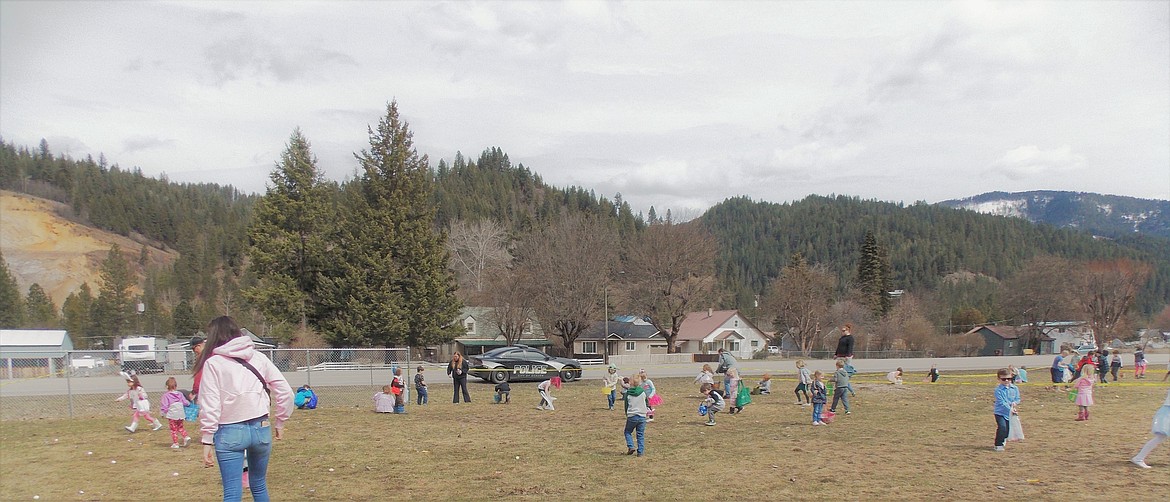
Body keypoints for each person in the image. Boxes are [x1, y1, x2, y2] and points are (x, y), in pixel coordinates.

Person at [197, 316, 294, 502]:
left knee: (232, 492)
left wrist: (207, 439)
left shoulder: (213, 363)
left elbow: (210, 404)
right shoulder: (259, 357)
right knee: (259, 485)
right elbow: (286, 392)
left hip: (229, 431)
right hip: (261, 427)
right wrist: (281, 421)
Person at [1130, 370, 1170, 468]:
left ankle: (1139, 458)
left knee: (1160, 437)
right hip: (1167, 413)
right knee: (1160, 437)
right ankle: (1138, 458)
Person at [993, 368, 1021, 452]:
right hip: (1000, 412)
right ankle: (998, 444)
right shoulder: (998, 390)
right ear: (999, 379)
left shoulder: (1015, 388)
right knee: (1002, 427)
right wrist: (1010, 409)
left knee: (1008, 429)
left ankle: (1004, 438)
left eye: (1009, 379)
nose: (1006, 381)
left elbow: (1017, 398)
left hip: (1010, 414)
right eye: (1003, 379)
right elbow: (1002, 402)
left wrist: (1015, 403)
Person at [160, 377, 192, 448]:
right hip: (180, 413)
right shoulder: (180, 394)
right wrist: (189, 404)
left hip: (172, 415)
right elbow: (185, 402)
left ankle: (176, 443)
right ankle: (186, 437)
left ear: (166, 386)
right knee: (180, 427)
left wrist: (163, 413)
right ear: (176, 386)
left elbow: (164, 406)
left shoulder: (166, 395)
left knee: (173, 429)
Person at [623, 373, 649, 456]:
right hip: (642, 416)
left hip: (632, 416)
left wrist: (627, 413)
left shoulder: (628, 393)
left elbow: (626, 405)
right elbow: (647, 402)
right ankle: (640, 451)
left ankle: (631, 446)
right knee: (640, 434)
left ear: (630, 383)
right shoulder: (643, 392)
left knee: (627, 431)